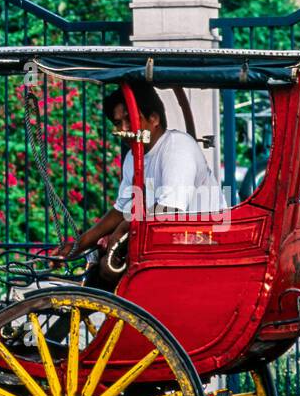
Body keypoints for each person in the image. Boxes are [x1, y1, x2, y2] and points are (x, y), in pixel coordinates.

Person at [51, 78, 226, 286]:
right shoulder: (134, 156)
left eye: (130, 119)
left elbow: (169, 209)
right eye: (118, 123)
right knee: (101, 265)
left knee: (111, 268)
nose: (124, 129)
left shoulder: (176, 147)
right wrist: (77, 247)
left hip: (203, 242)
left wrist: (123, 230)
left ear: (154, 118)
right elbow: (121, 210)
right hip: (170, 241)